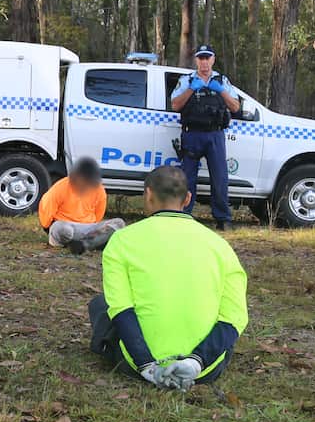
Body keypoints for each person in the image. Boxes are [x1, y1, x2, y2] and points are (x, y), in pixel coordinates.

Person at [87, 166, 248, 391]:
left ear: (148, 195)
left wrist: (147, 365)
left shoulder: (121, 241)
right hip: (204, 369)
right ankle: (196, 359)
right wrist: (195, 362)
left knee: (100, 304)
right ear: (188, 198)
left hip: (137, 365)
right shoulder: (221, 246)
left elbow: (121, 309)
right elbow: (234, 318)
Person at [169, 44, 241, 230]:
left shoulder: (222, 80)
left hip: (215, 135)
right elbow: (175, 105)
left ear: (213, 60)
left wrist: (221, 90)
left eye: (207, 58)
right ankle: (183, 216)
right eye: (201, 58)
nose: (204, 62)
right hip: (192, 134)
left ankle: (223, 219)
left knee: (220, 178)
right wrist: (191, 89)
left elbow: (235, 107)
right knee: (187, 178)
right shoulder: (187, 80)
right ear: (196, 60)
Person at [38, 157, 125, 254]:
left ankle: (84, 244)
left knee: (119, 223)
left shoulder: (99, 189)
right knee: (62, 229)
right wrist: (48, 227)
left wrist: (95, 229)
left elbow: (99, 214)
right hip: (66, 226)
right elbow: (46, 206)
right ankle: (93, 242)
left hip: (88, 229)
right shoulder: (62, 186)